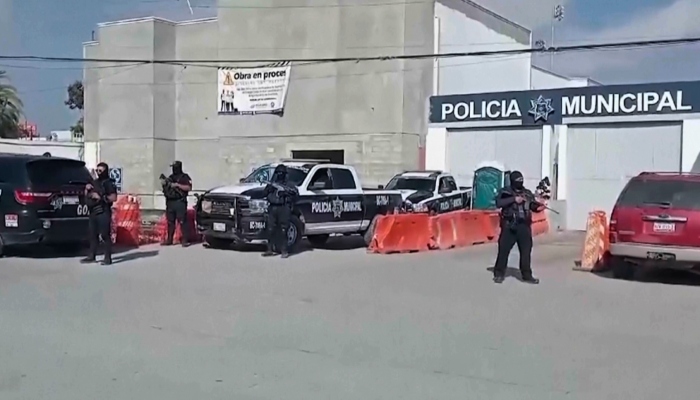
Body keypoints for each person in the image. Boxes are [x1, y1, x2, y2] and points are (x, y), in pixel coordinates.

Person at [492, 170, 545, 284]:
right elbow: (498, 203)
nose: (520, 183)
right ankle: (499, 274)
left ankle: (527, 275)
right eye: (518, 181)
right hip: (509, 225)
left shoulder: (527, 193)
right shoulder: (506, 191)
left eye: (521, 180)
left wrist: (538, 207)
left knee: (526, 252)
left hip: (524, 226)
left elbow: (532, 205)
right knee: (503, 251)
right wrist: (513, 199)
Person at [81, 162, 118, 265]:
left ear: (105, 171)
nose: (98, 172)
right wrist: (87, 189)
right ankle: (92, 255)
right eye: (97, 170)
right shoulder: (94, 182)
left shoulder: (109, 183)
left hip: (103, 211)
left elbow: (114, 197)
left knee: (105, 235)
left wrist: (101, 197)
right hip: (93, 211)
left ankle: (107, 258)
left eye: (100, 171)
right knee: (92, 235)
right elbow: (87, 195)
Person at [261, 165, 298, 258]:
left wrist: (285, 193)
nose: (279, 175)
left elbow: (296, 195)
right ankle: (269, 249)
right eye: (278, 173)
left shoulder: (289, 185)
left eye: (281, 173)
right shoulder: (272, 184)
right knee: (270, 229)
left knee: (283, 230)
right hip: (273, 207)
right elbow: (264, 193)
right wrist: (269, 189)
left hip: (283, 208)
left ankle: (284, 250)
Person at [160, 161, 193, 247]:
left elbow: (188, 188)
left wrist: (177, 185)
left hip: (180, 202)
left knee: (182, 221)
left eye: (175, 167)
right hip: (170, 202)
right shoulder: (170, 177)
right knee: (170, 222)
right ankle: (169, 239)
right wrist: (165, 184)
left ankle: (185, 240)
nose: (173, 169)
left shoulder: (184, 177)